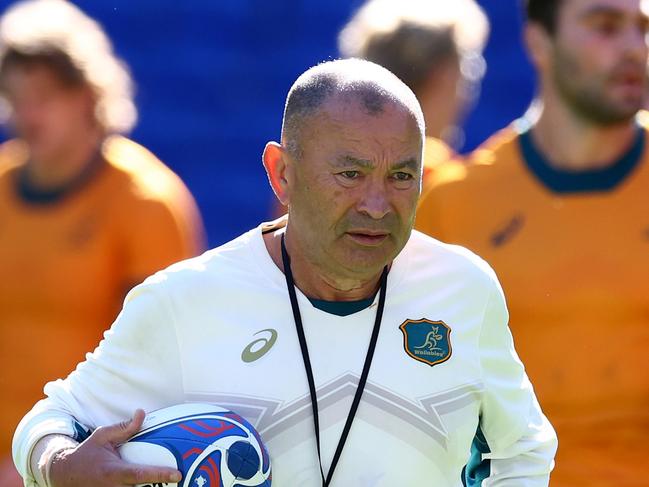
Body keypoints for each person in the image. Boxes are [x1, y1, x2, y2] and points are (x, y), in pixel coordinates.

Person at [13, 59, 556, 486]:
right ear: (282, 174)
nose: (377, 203)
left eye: (401, 176)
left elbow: (524, 448)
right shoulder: (183, 302)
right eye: (350, 173)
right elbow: (53, 418)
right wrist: (58, 463)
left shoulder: (466, 288)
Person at [416, 0, 649, 484]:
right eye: (606, 26)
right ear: (539, 42)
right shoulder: (454, 206)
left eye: (643, 28)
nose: (634, 48)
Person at [0, 1, 205, 484]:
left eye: (45, 95)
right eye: (16, 96)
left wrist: (45, 459)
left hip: (85, 459)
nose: (28, 114)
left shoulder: (146, 203)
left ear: (90, 95)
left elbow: (154, 366)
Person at [338, 0, 489, 181]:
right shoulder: (445, 182)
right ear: (444, 74)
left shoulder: (335, 168)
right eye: (466, 71)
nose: (465, 93)